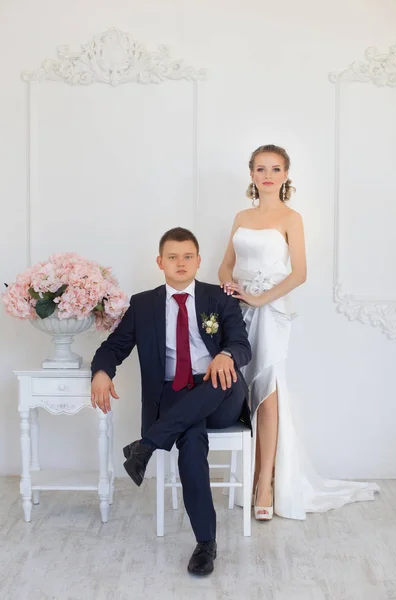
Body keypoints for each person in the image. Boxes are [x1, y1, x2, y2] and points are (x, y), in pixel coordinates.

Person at [218, 144, 379, 521]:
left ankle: (265, 484)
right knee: (245, 391)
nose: (268, 174)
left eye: (275, 168)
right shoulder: (241, 215)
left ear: (286, 175)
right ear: (252, 175)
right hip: (240, 312)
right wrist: (231, 289)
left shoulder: (292, 217)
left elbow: (300, 273)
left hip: (272, 312)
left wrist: (260, 299)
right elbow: (226, 265)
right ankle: (255, 475)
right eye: (261, 169)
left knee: (268, 391)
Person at [91, 227, 251, 575]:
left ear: (198, 261)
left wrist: (225, 353)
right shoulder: (144, 304)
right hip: (176, 396)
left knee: (222, 378)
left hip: (219, 388)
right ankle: (206, 544)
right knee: (191, 441)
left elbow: (242, 343)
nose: (181, 263)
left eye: (188, 256)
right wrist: (102, 372)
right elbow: (113, 348)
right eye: (173, 257)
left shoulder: (219, 299)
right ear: (160, 261)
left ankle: (146, 446)